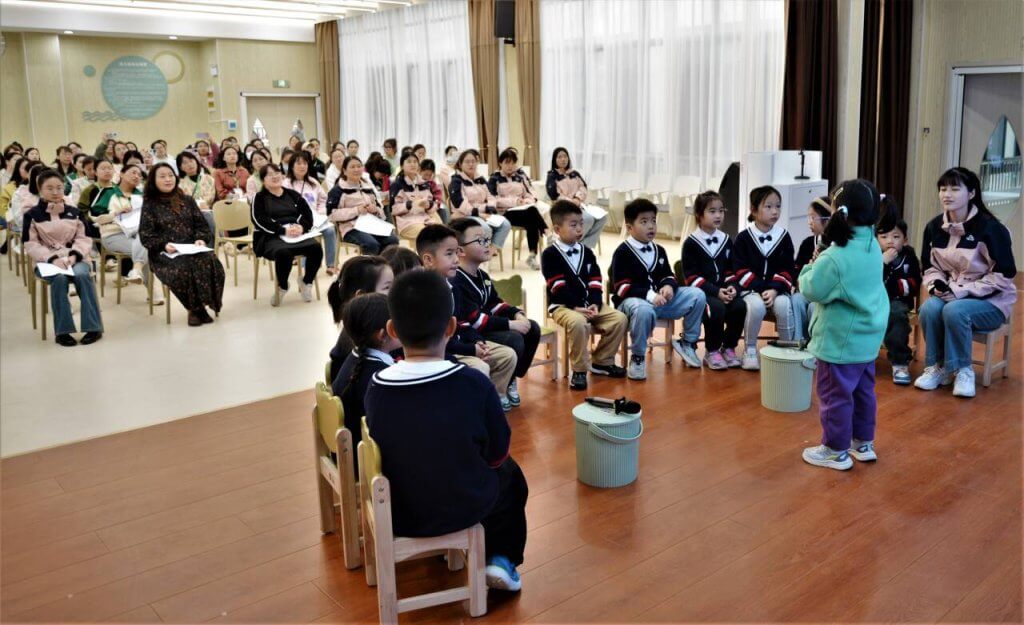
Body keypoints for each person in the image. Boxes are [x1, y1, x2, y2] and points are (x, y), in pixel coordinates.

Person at [364, 269, 529, 592]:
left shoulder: (376, 386)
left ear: (392, 329)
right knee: (510, 475)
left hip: (399, 512)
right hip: (461, 509)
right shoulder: (473, 383)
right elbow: (497, 451)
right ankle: (500, 559)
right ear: (451, 327)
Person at [799, 179, 888, 471]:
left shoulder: (835, 257)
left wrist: (811, 264)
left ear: (839, 212)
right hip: (867, 339)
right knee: (863, 393)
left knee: (834, 396)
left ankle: (835, 450)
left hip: (839, 343)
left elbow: (811, 289)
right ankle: (862, 444)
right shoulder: (872, 244)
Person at [914, 167, 1017, 398]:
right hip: (951, 294)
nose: (947, 194)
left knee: (955, 310)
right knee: (929, 308)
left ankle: (963, 370)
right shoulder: (933, 227)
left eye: (954, 188)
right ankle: (937, 367)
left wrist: (961, 291)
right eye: (943, 189)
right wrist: (936, 286)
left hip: (992, 301)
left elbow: (1005, 274)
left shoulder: (991, 229)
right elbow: (929, 267)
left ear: (971, 193)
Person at [417, 225, 517, 406]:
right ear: (428, 260)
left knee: (507, 355)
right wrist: (471, 350)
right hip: (442, 352)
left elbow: (462, 322)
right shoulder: (424, 294)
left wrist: (477, 341)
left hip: (460, 345)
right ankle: (474, 408)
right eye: (449, 254)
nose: (456, 259)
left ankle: (495, 399)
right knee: (480, 367)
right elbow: (439, 342)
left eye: (456, 252)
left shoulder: (452, 286)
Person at [451, 217, 541, 410]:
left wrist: (516, 314)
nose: (487, 244)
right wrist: (510, 324)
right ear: (460, 251)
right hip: (472, 333)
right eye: (480, 240)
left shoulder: (482, 275)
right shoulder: (457, 279)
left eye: (487, 239)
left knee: (532, 327)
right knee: (514, 338)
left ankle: (511, 377)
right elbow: (474, 319)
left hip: (485, 327)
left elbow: (494, 303)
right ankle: (503, 383)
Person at [610, 198, 705, 379]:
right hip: (633, 305)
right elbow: (622, 288)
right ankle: (638, 357)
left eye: (653, 220)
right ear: (629, 227)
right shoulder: (622, 252)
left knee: (697, 294)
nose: (651, 226)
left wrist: (668, 285)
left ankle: (687, 342)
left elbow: (668, 275)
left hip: (660, 302)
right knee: (644, 310)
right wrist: (650, 295)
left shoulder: (659, 250)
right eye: (644, 222)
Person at [542, 200, 627, 390]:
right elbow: (557, 286)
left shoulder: (587, 252)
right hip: (563, 306)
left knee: (619, 319)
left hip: (589, 304)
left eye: (581, 223)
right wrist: (576, 307)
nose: (580, 229)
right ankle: (579, 370)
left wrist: (595, 302)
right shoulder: (550, 254)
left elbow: (595, 280)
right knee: (579, 323)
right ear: (557, 229)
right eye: (573, 225)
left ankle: (602, 361)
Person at [23, 169, 103, 347]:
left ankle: (93, 327)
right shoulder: (32, 215)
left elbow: (84, 238)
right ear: (40, 189)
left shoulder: (75, 212)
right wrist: (52, 259)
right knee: (59, 279)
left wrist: (74, 256)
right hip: (46, 262)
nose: (55, 192)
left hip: (77, 258)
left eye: (59, 187)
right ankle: (63, 331)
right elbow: (31, 244)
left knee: (82, 275)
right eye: (49, 188)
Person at [140, 163, 225, 326]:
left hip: (191, 247)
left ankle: (202, 305)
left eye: (170, 175)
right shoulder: (150, 204)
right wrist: (164, 245)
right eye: (162, 176)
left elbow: (202, 226)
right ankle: (195, 309)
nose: (168, 179)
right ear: (153, 180)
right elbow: (146, 235)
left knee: (211, 262)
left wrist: (200, 239)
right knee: (183, 269)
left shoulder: (187, 200)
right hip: (164, 253)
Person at [731, 185, 804, 370]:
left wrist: (774, 289)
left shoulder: (783, 236)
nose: (775, 211)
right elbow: (739, 270)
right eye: (768, 206)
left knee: (784, 305)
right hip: (751, 290)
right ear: (754, 210)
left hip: (776, 290)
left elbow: (788, 268)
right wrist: (762, 288)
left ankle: (787, 348)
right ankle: (750, 350)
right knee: (756, 307)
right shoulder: (743, 238)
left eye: (778, 206)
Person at [331, 292, 401, 470]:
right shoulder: (380, 377)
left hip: (350, 454)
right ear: (383, 335)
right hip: (367, 465)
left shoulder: (354, 359)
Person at [681, 190, 747, 370]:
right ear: (699, 214)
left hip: (723, 291)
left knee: (740, 306)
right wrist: (716, 292)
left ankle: (729, 347)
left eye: (721, 210)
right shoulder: (691, 243)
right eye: (712, 211)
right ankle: (712, 350)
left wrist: (732, 287)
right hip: (703, 294)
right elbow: (692, 278)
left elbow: (731, 270)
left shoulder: (726, 240)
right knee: (716, 308)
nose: (718, 215)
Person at [251, 163, 324, 305]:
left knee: (316, 248)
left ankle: (306, 282)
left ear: (282, 175)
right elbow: (259, 220)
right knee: (283, 253)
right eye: (270, 175)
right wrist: (283, 230)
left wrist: (302, 227)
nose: (275, 176)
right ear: (263, 180)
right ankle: (283, 286)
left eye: (277, 173)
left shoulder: (292, 194)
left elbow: (307, 214)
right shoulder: (259, 198)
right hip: (271, 236)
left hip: (296, 234)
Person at [327, 255, 395, 383]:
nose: (395, 292)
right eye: (387, 287)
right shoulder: (365, 339)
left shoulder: (360, 327)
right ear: (361, 296)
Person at [875, 201, 921, 386]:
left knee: (896, 315)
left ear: (905, 239)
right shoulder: (874, 256)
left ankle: (900, 362)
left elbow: (914, 284)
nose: (890, 241)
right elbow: (868, 281)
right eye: (884, 236)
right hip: (874, 300)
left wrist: (893, 286)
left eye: (896, 236)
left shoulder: (909, 256)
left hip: (898, 302)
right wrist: (882, 263)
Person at [488, 149, 548, 269]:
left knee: (532, 220)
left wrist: (526, 201)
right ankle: (547, 233)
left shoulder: (519, 177)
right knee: (532, 213)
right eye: (507, 163)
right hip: (504, 213)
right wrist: (515, 201)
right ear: (500, 163)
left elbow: (529, 194)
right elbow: (492, 199)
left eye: (513, 163)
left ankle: (532, 256)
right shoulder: (494, 178)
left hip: (522, 211)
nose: (510, 166)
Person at [327, 156, 399, 255]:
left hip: (371, 224)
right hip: (351, 228)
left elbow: (380, 210)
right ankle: (371, 265)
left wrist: (375, 209)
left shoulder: (367, 187)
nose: (356, 169)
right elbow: (331, 214)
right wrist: (356, 210)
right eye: (352, 167)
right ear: (344, 171)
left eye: (359, 166)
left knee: (392, 240)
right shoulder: (338, 190)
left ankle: (383, 263)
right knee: (371, 244)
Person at [284, 151, 338, 274]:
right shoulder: (286, 184)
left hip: (315, 217)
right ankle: (305, 266)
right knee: (306, 233)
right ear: (291, 166)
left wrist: (320, 212)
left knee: (330, 230)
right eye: (298, 163)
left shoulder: (313, 182)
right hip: (296, 220)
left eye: (305, 163)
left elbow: (323, 199)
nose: (302, 166)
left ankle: (331, 264)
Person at [545, 147, 608, 249]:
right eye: (559, 157)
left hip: (579, 205)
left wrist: (577, 198)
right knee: (587, 219)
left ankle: (584, 246)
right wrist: (571, 202)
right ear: (554, 160)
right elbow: (554, 194)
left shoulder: (574, 173)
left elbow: (583, 187)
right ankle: (571, 245)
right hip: (563, 208)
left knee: (602, 217)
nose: (563, 159)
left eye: (565, 156)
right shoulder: (552, 175)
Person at [449, 149, 511, 249]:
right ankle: (482, 253)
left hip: (483, 213)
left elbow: (491, 196)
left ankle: (490, 251)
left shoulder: (480, 179)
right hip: (464, 215)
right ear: (460, 164)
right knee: (485, 228)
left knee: (505, 224)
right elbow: (460, 204)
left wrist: (490, 207)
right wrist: (480, 213)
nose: (471, 164)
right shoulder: (456, 181)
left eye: (473, 161)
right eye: (467, 162)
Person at [791, 196, 833, 339]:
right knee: (797, 299)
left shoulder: (838, 244)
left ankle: (814, 344)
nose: (809, 222)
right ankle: (798, 341)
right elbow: (797, 273)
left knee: (813, 306)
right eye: (808, 218)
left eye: (813, 218)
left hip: (826, 293)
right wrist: (810, 265)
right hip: (809, 289)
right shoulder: (807, 243)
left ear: (828, 220)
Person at [390, 152, 443, 240]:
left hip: (425, 218)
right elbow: (393, 209)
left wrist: (429, 205)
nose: (413, 164)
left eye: (415, 162)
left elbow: (433, 204)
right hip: (407, 221)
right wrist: (409, 204)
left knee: (443, 233)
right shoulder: (397, 185)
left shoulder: (424, 184)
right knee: (428, 235)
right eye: (409, 162)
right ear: (402, 166)